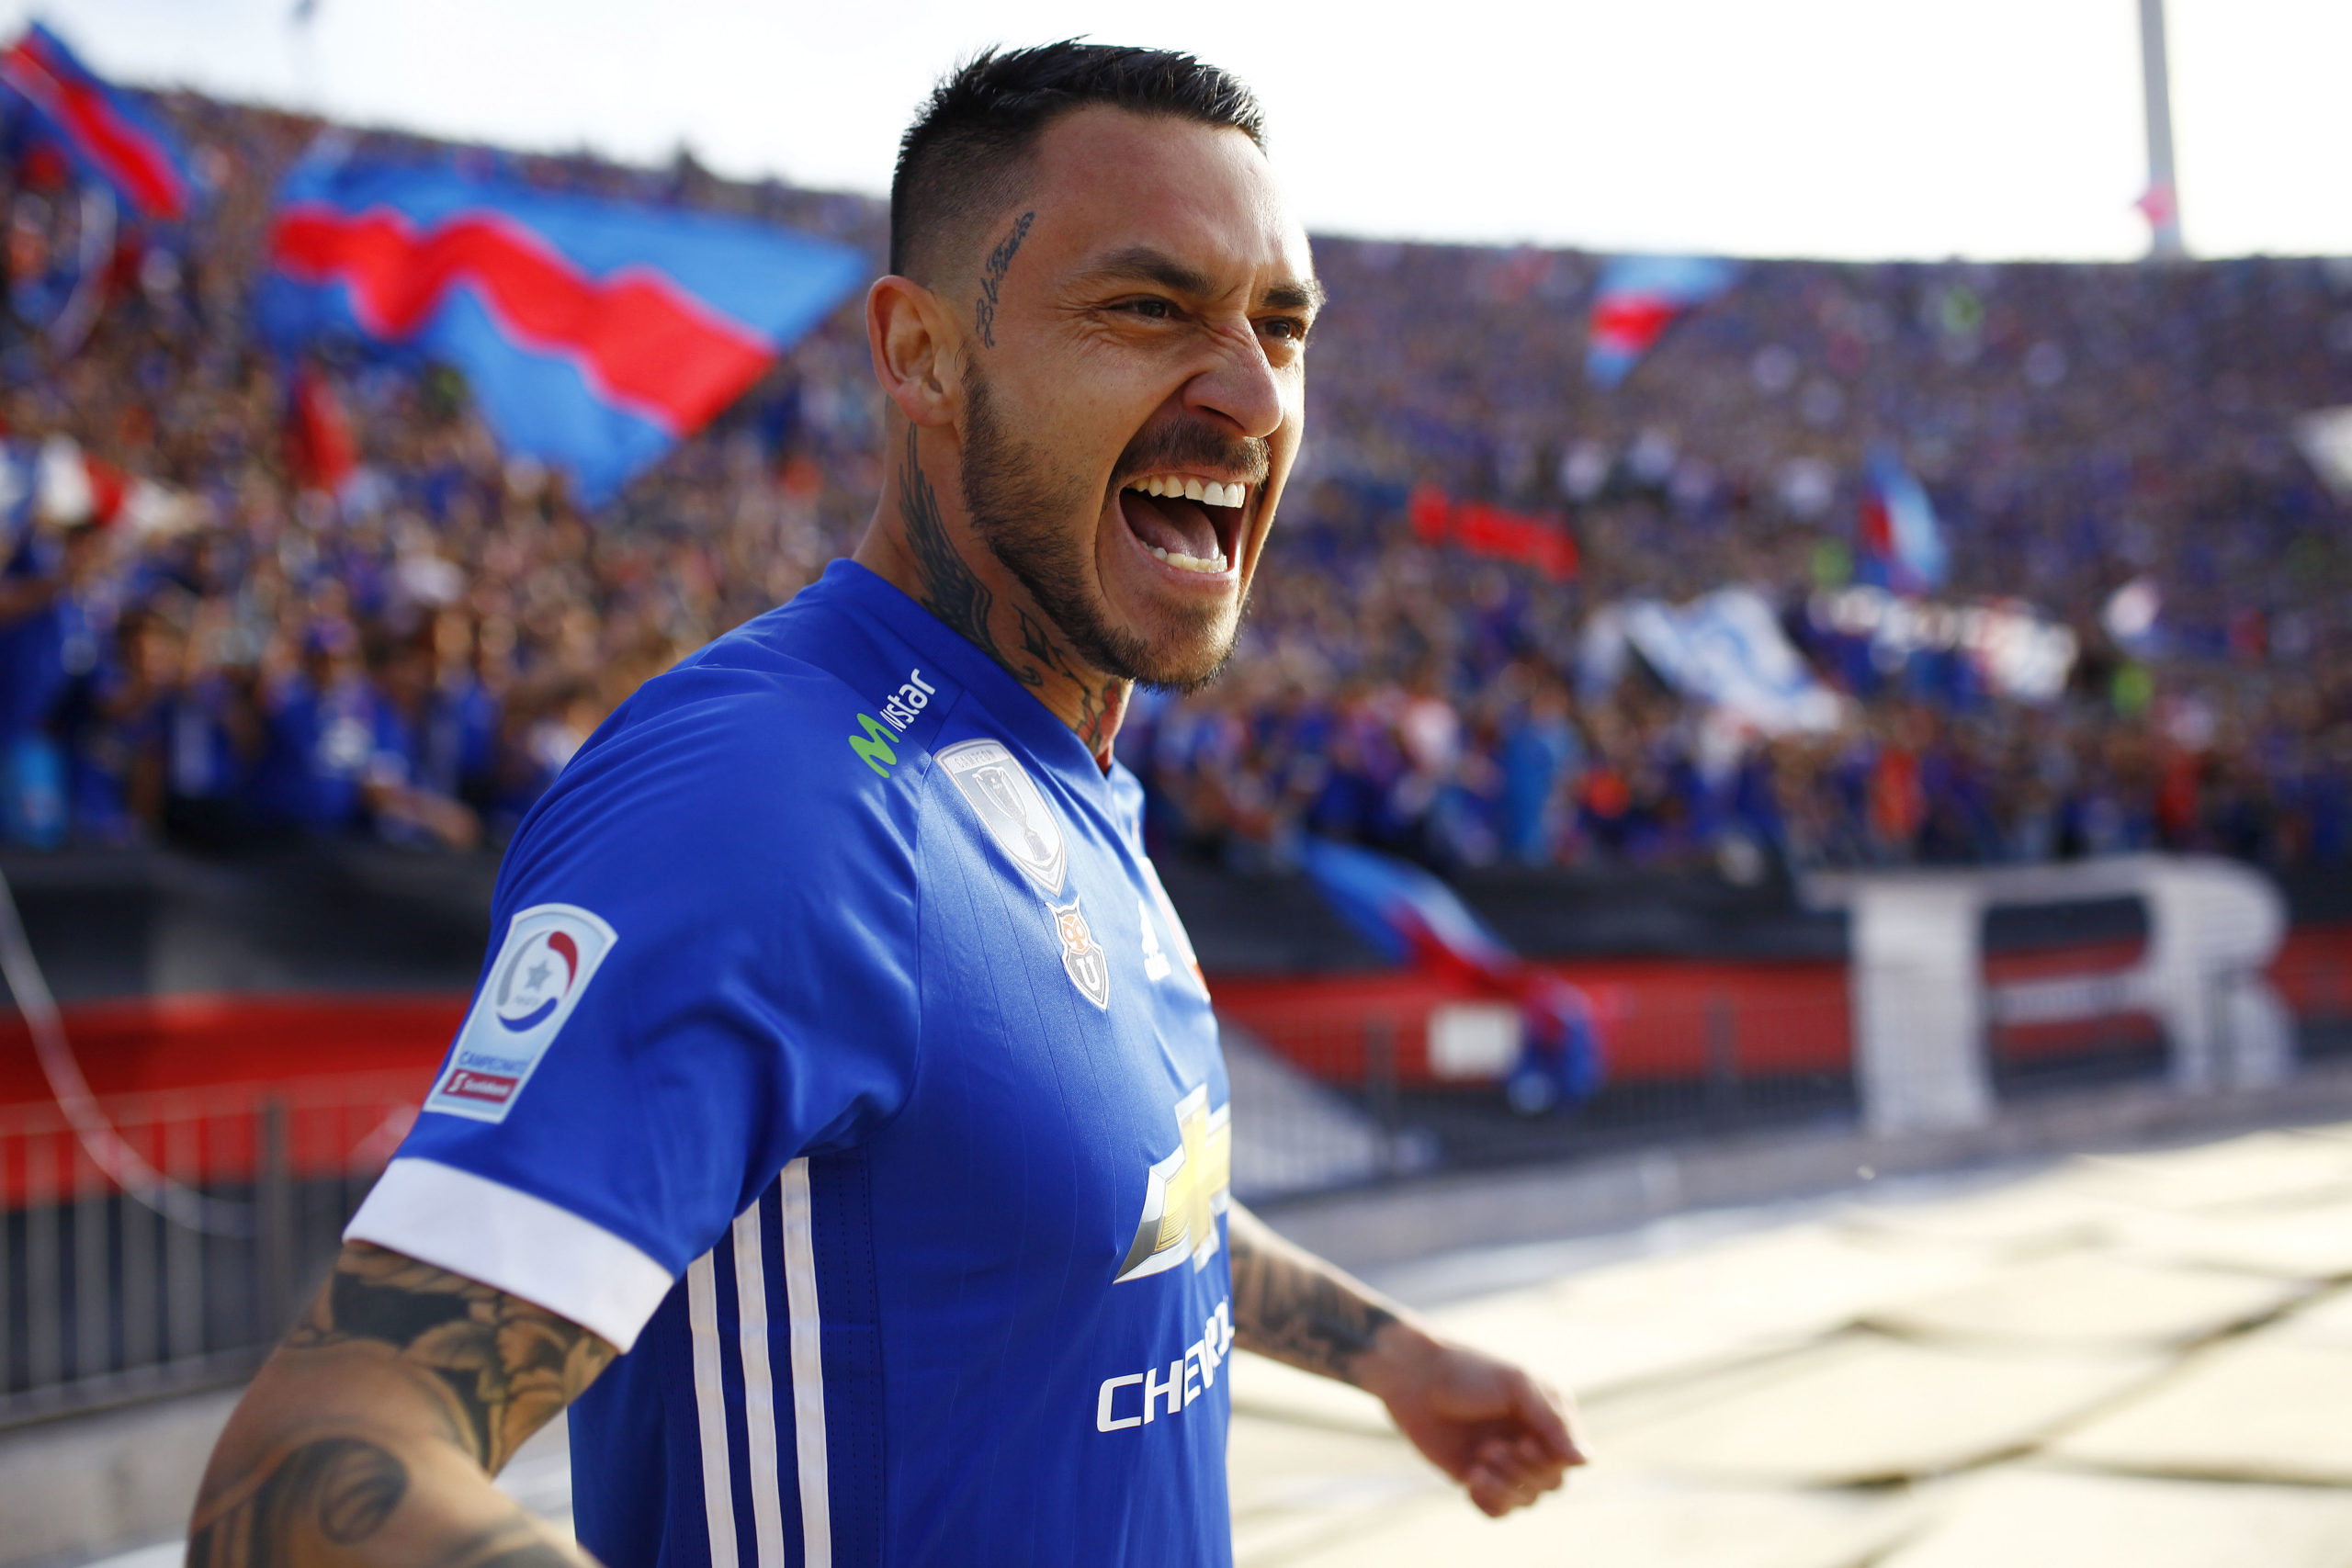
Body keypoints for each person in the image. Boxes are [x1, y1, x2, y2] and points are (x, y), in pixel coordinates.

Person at [189, 44, 1582, 1568]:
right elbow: (316, 1465)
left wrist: (1390, 1355)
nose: (1255, 393)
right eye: (1148, 308)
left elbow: (1087, 1195)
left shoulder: (1060, 763)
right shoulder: (764, 802)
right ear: (923, 356)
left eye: (1284, 328)